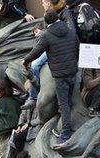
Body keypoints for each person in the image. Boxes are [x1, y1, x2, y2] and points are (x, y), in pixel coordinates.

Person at [22, 10, 79, 143]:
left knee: (63, 104)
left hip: (60, 75)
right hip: (73, 71)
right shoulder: (70, 30)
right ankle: (67, 121)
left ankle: (65, 133)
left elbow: (37, 51)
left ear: (46, 22)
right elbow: (77, 47)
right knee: (68, 101)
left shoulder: (46, 35)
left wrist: (25, 60)